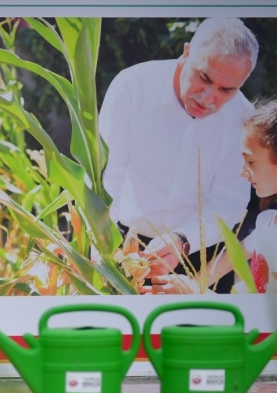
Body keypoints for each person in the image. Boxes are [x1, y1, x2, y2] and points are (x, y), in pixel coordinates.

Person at [98, 18, 259, 275]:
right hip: (121, 242)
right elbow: (107, 174)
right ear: (186, 53)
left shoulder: (243, 117)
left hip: (196, 251)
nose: (208, 98)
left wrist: (184, 239)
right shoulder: (132, 87)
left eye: (226, 90)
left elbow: (230, 199)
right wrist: (104, 246)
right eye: (203, 77)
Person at [148, 99, 277, 295]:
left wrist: (192, 294)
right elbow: (228, 259)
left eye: (250, 162)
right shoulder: (270, 221)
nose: (243, 172)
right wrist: (178, 289)